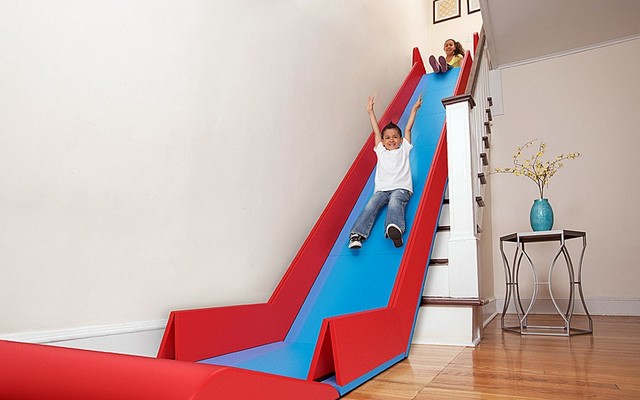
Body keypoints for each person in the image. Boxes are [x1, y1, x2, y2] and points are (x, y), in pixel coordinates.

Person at [348, 94, 422, 249]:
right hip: (382, 190)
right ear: (382, 141)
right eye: (387, 138)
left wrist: (414, 110)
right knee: (371, 205)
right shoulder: (380, 151)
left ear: (401, 139)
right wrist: (370, 112)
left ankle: (395, 229)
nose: (391, 140)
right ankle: (357, 235)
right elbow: (376, 132)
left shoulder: (404, 149)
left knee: (395, 202)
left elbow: (408, 128)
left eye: (395, 137)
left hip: (401, 188)